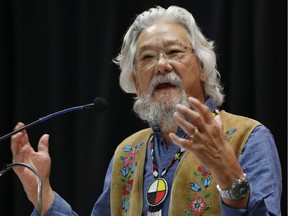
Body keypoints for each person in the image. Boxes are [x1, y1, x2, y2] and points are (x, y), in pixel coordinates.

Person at [11, 5, 282, 216]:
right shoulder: (127, 152)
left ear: (202, 66)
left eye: (174, 52)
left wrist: (229, 177)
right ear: (136, 81)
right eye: (147, 58)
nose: (162, 65)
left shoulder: (248, 137)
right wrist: (42, 193)